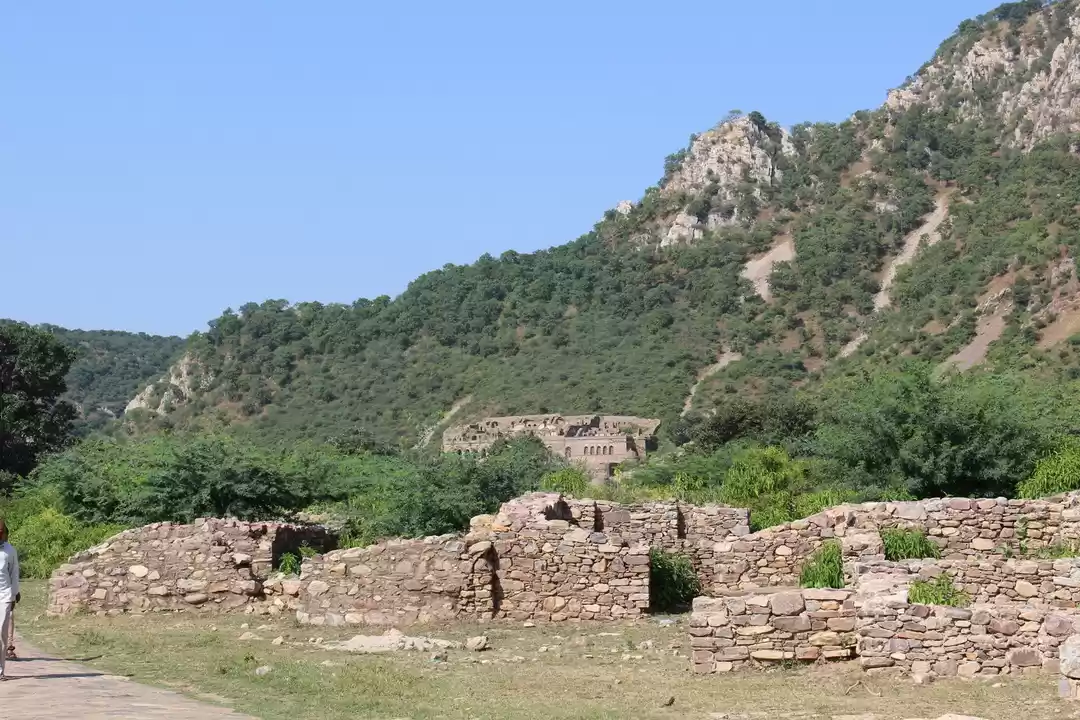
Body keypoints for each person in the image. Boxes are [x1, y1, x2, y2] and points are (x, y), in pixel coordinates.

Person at [0, 520, 19, 681]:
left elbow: (14, 574)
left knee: (1, 633)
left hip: (4, 596)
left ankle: (0, 671)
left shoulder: (9, 551)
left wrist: (14, 595)